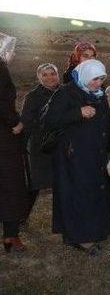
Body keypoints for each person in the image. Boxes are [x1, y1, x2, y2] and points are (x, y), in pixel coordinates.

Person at [42, 59, 110, 256]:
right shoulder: (66, 92)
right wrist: (78, 112)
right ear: (85, 76)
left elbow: (107, 122)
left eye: (102, 79)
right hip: (72, 156)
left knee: (93, 193)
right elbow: (48, 119)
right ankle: (81, 237)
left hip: (94, 153)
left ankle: (89, 231)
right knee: (78, 195)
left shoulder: (99, 95)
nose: (98, 83)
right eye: (95, 79)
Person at [0, 46, 30, 253]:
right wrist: (15, 123)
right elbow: (2, 100)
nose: (13, 53)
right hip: (3, 136)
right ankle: (10, 236)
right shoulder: (0, 67)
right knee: (11, 184)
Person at [21, 63, 61, 208]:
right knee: (35, 185)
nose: (50, 77)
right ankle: (20, 215)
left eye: (53, 73)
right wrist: (22, 146)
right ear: (39, 78)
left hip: (62, 146)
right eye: (45, 74)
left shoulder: (66, 93)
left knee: (63, 183)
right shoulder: (32, 97)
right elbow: (26, 122)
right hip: (41, 147)